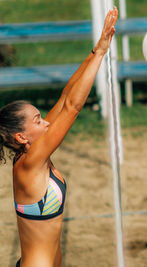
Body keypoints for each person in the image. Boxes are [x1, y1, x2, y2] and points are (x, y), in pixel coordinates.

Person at [0, 7, 118, 267]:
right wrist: (100, 55)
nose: (46, 123)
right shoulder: (30, 162)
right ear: (21, 136)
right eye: (38, 120)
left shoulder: (35, 153)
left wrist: (96, 50)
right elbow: (73, 108)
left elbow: (66, 97)